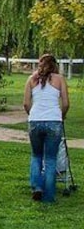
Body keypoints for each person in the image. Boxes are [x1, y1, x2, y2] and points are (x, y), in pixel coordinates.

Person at [23, 54, 70, 203]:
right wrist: (61, 115)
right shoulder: (59, 79)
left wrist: (33, 115)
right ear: (54, 65)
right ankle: (49, 196)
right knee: (50, 159)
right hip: (53, 121)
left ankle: (37, 187)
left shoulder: (31, 80)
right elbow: (66, 102)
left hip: (35, 120)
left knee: (36, 156)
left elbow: (25, 103)